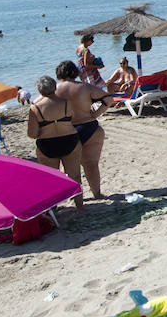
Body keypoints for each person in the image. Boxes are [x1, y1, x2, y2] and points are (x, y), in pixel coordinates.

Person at [55, 60, 111, 201]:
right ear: (75, 72)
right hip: (89, 126)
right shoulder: (85, 87)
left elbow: (42, 107)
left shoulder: (55, 90)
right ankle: (97, 194)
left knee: (69, 168)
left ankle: (73, 196)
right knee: (91, 164)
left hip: (68, 130)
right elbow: (109, 100)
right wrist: (95, 114)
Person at [26, 76, 82, 212]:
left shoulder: (35, 108)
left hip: (47, 143)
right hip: (70, 139)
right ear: (55, 87)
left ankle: (54, 208)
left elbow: (32, 134)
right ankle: (80, 206)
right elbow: (72, 118)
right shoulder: (67, 103)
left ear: (39, 90)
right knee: (75, 175)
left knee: (51, 178)